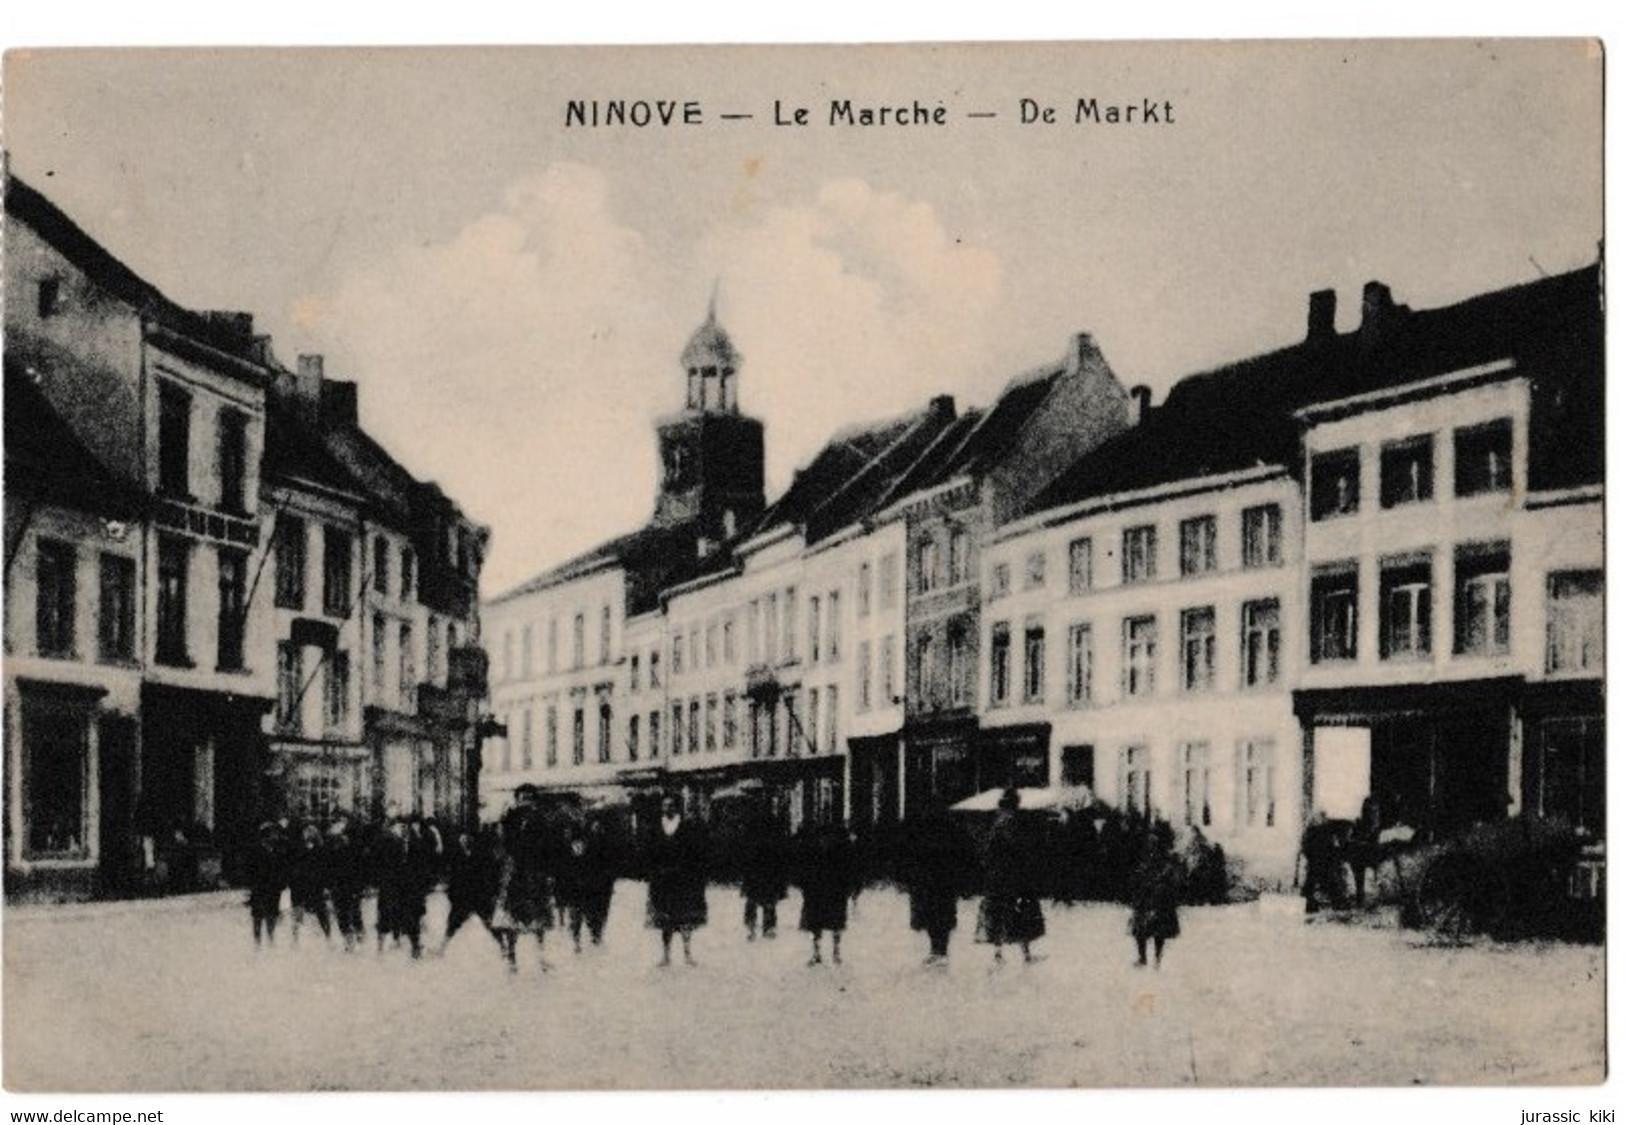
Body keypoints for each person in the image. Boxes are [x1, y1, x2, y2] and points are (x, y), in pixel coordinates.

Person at [901, 798, 976, 966]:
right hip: (944, 881)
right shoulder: (951, 829)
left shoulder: (924, 829)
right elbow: (965, 853)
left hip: (930, 881)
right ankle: (940, 950)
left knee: (932, 916)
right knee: (943, 916)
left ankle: (937, 950)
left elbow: (912, 854)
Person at [975, 788, 1046, 965]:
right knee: (1021, 913)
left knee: (999, 913)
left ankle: (999, 954)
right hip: (1014, 876)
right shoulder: (1012, 822)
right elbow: (1017, 848)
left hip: (996, 877)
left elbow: (986, 851)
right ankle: (1026, 954)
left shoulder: (996, 821)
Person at [491, 787, 557, 972]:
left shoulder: (542, 819)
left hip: (536, 873)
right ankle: (512, 958)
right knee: (511, 917)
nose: (526, 802)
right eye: (523, 798)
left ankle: (541, 956)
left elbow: (548, 847)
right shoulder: (510, 818)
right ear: (517, 800)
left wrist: (549, 872)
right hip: (516, 873)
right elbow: (502, 845)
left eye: (529, 798)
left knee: (540, 918)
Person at [645, 794, 709, 967]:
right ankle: (666, 955)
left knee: (685, 919)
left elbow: (695, 853)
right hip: (662, 881)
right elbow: (650, 853)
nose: (667, 808)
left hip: (683, 880)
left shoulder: (687, 827)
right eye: (664, 805)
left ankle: (687, 953)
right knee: (665, 920)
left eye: (670, 805)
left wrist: (693, 875)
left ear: (677, 807)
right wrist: (653, 872)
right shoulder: (656, 828)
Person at [795, 820, 858, 966]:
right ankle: (817, 953)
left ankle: (835, 951)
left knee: (834, 923)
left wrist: (848, 887)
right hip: (817, 891)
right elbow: (803, 869)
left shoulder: (840, 852)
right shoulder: (813, 851)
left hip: (833, 891)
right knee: (816, 924)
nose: (825, 840)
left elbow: (849, 870)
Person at [438, 827, 502, 956]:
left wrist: (492, 892)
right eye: (462, 841)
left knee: (490, 924)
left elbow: (492, 874)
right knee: (453, 923)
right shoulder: (457, 856)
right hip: (463, 897)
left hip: (479, 896)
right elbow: (454, 878)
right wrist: (452, 894)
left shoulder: (482, 855)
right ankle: (442, 949)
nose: (464, 843)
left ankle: (504, 948)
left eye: (466, 841)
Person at [374, 817, 432, 958]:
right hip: (391, 883)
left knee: (409, 916)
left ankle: (414, 947)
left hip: (407, 885)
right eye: (399, 826)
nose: (402, 829)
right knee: (386, 915)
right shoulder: (386, 840)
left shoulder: (412, 840)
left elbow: (420, 861)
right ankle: (381, 948)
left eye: (404, 826)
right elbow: (378, 860)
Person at [1129, 820, 1183, 969]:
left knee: (1142, 928)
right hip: (1160, 895)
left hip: (1150, 893)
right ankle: (1156, 960)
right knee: (1158, 930)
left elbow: (1143, 870)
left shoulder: (1152, 849)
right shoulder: (1169, 854)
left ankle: (1143, 958)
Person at [556, 818, 616, 952]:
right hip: (576, 885)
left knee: (589, 913)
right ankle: (579, 941)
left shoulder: (591, 844)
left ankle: (593, 937)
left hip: (587, 885)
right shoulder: (570, 846)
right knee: (577, 915)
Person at [739, 798, 790, 941]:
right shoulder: (776, 824)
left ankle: (752, 928)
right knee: (767, 901)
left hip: (757, 868)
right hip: (767, 868)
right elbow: (782, 848)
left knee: (754, 900)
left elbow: (745, 847)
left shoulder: (752, 824)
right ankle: (767, 928)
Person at [326, 815, 368, 952]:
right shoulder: (333, 848)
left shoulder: (353, 848)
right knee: (344, 912)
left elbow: (359, 866)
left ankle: (357, 934)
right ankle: (351, 938)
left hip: (349, 884)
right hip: (340, 885)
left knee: (352, 910)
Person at [288, 822, 334, 945]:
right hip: (300, 885)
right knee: (297, 913)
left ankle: (328, 938)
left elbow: (325, 868)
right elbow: (292, 866)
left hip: (315, 885)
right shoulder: (298, 849)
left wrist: (326, 886)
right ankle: (295, 940)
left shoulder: (321, 850)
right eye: (307, 831)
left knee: (321, 913)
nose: (309, 833)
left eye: (312, 831)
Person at [245, 821, 288, 948]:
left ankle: (271, 939)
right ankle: (257, 943)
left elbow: (282, 868)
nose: (275, 835)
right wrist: (252, 884)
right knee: (257, 916)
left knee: (272, 914)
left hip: (274, 888)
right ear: (266, 835)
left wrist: (282, 882)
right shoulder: (255, 850)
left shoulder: (277, 851)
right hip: (259, 887)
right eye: (273, 833)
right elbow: (250, 869)